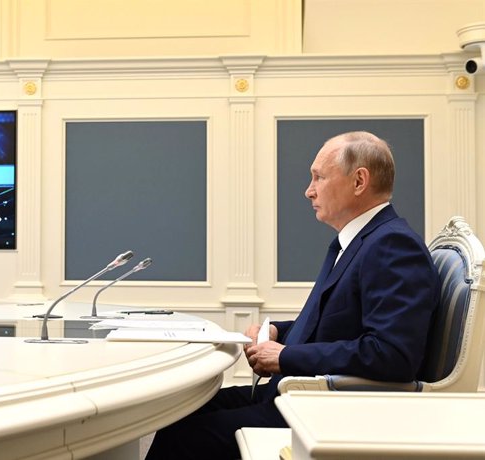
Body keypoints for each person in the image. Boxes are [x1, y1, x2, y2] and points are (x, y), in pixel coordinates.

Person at [146, 131, 440, 459]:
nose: (308, 190)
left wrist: (284, 356)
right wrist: (278, 332)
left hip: (325, 410)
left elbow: (391, 355)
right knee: (176, 416)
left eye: (318, 177)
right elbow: (334, 323)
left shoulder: (392, 246)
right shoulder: (360, 241)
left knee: (185, 438)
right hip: (295, 395)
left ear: (359, 181)